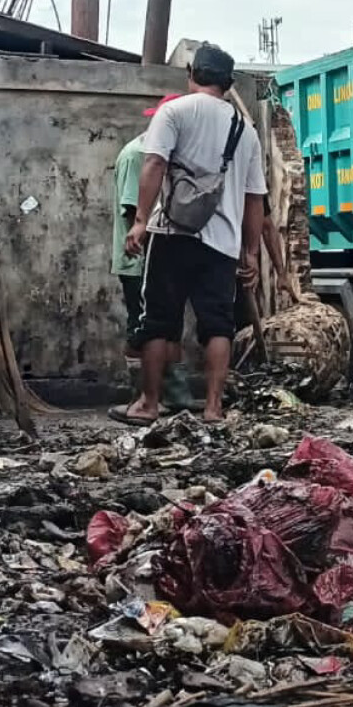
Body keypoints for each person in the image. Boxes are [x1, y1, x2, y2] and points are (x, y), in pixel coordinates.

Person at [117, 43, 267, 426]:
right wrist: (250, 253)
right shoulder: (244, 128)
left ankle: (149, 404)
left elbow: (153, 163)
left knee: (158, 321)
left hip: (171, 233)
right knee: (218, 323)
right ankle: (213, 408)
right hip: (222, 243)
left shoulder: (174, 111)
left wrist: (139, 220)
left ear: (192, 73)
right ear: (228, 82)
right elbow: (255, 199)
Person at [112, 96, 199, 414]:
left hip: (160, 259)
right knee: (144, 328)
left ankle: (175, 395)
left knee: (169, 326)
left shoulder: (158, 154)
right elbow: (137, 211)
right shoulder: (139, 155)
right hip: (141, 260)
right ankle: (143, 394)